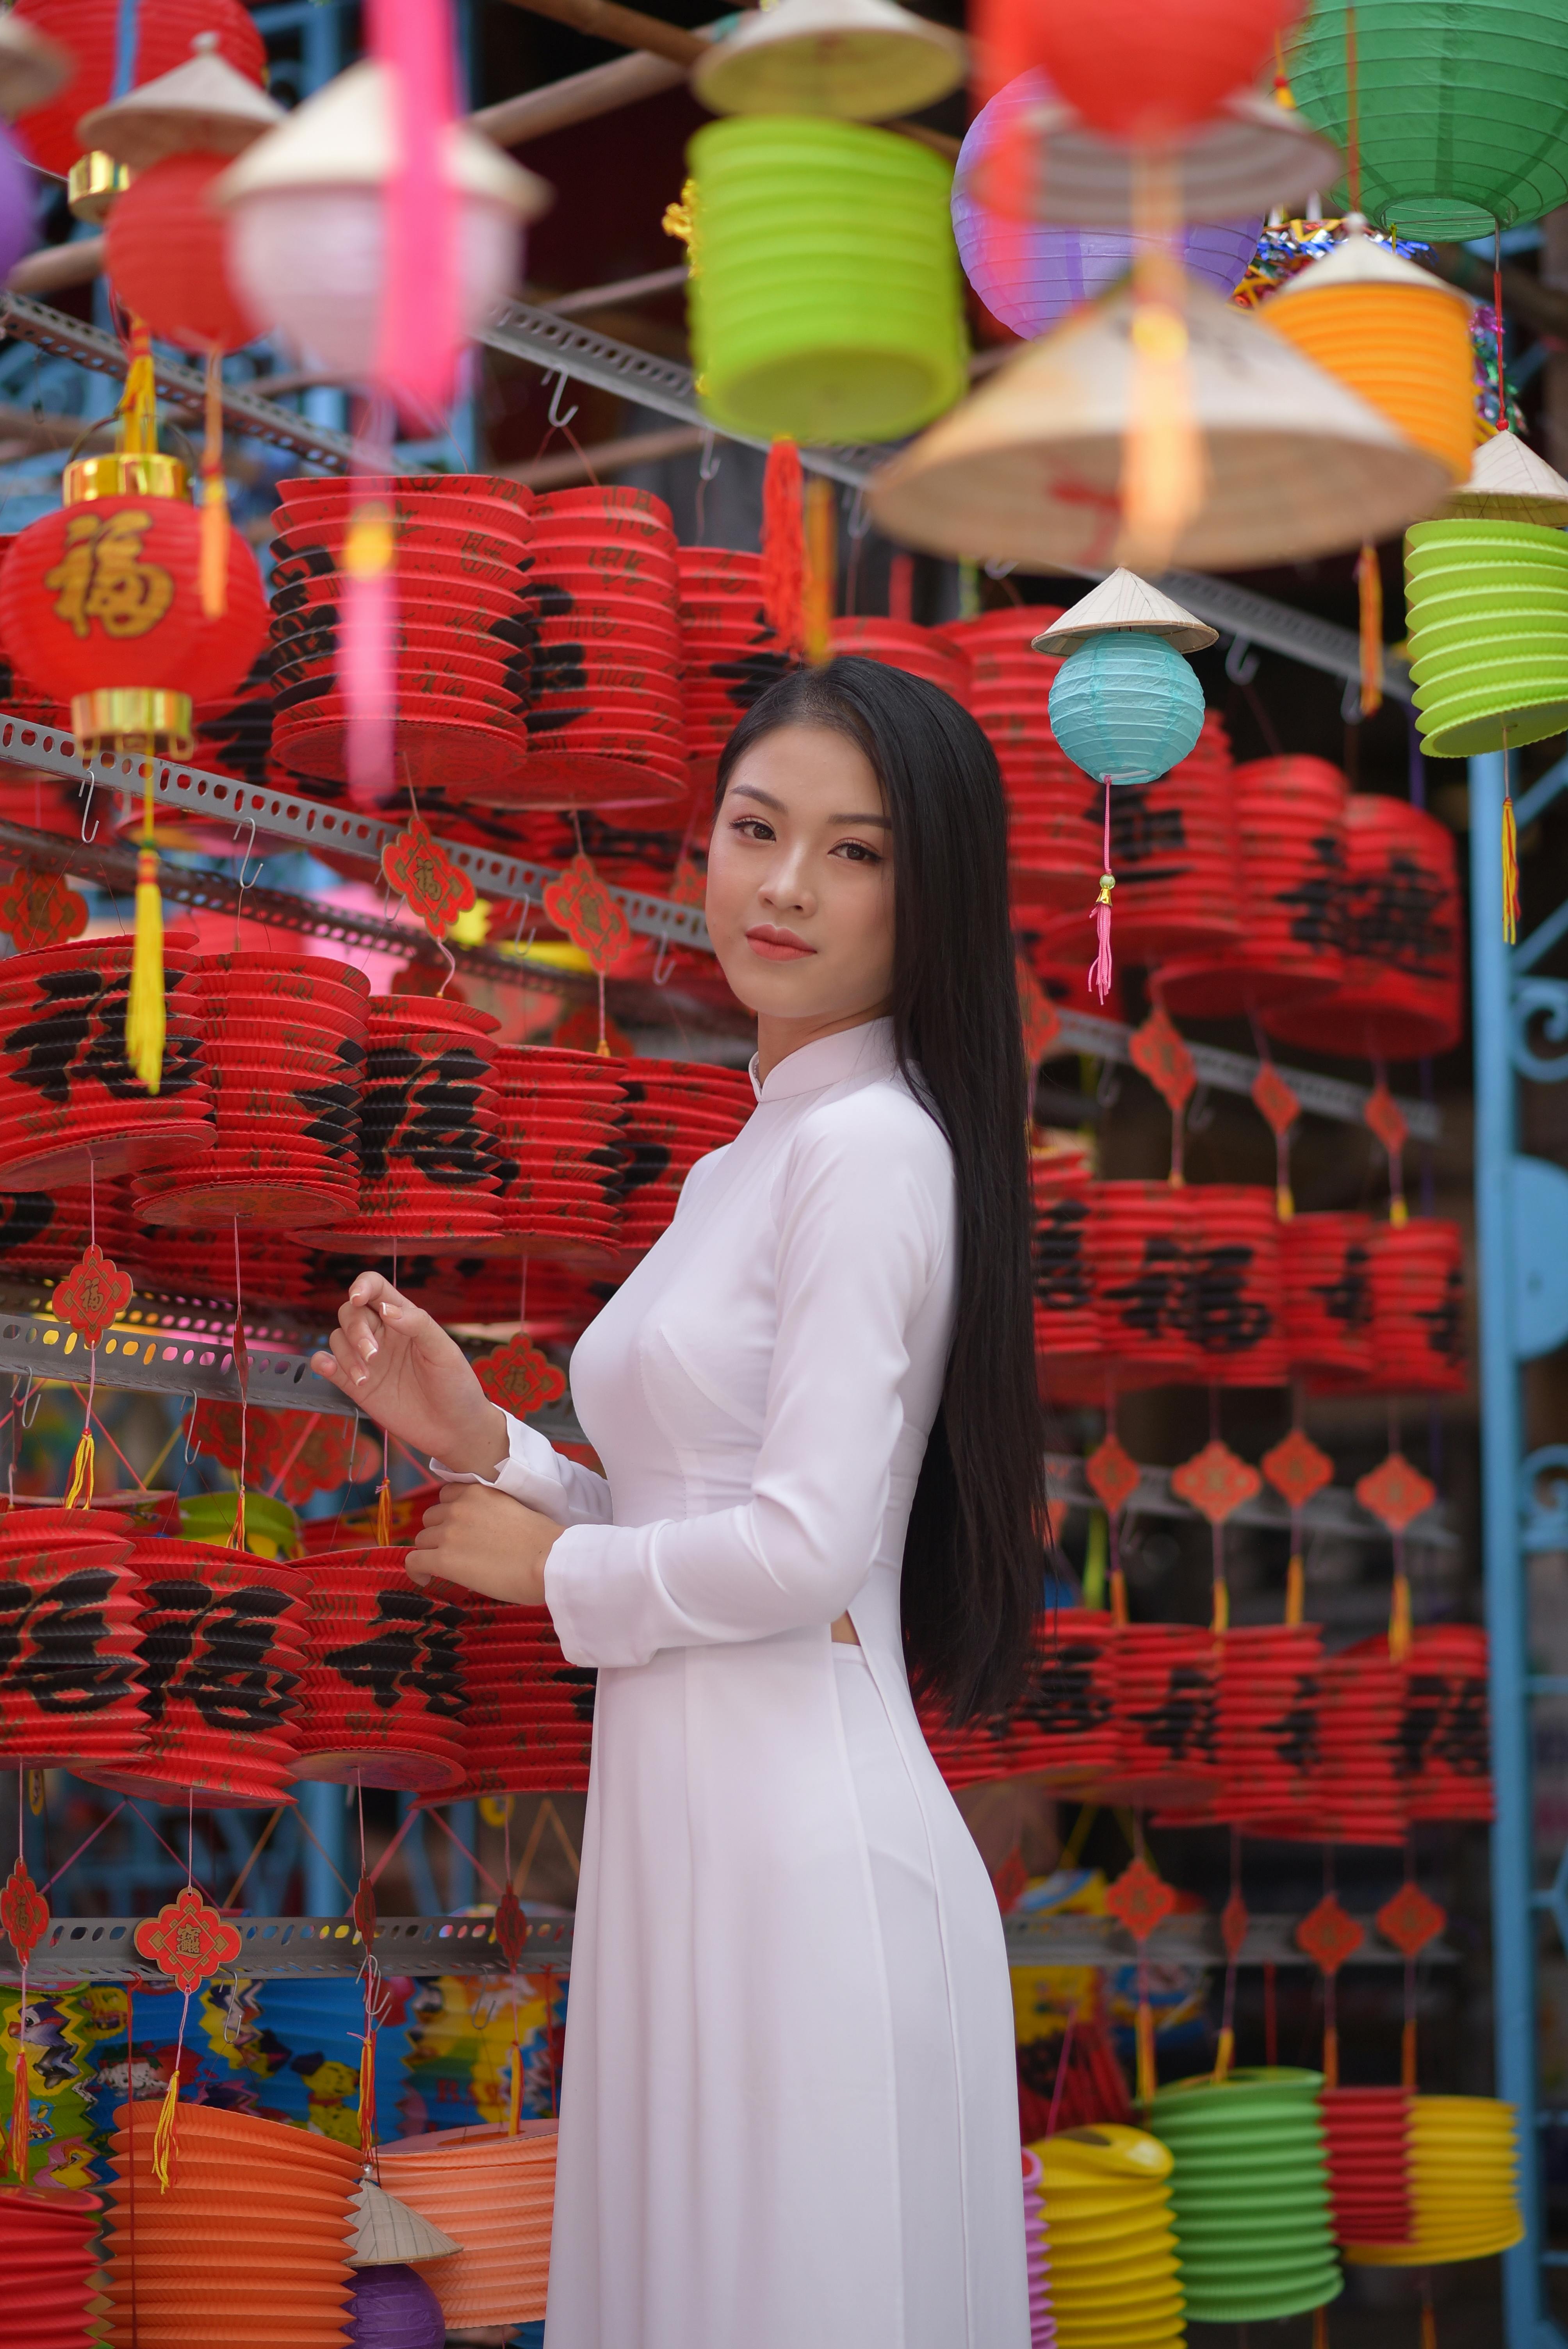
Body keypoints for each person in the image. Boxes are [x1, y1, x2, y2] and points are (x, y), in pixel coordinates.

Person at [312, 655, 1043, 2349]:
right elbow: (683, 1497)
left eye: (854, 852)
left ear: (929, 892)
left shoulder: (870, 1150)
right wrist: (486, 1440)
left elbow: (801, 1547)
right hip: (691, 1867)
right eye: (754, 828)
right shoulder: (747, 1159)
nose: (784, 885)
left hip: (804, 1875)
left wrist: (560, 1570)